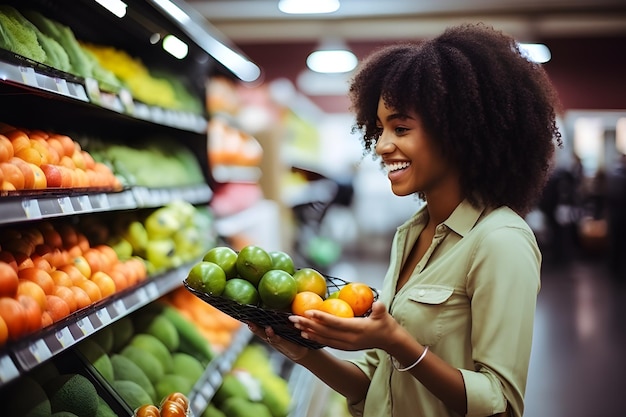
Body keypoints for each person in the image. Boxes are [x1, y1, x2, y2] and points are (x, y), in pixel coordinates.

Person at [248, 22, 561, 417]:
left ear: (458, 132)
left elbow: (500, 404)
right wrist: (303, 352)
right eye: (378, 129)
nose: (381, 145)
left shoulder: (501, 240)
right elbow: (376, 382)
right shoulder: (411, 233)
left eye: (401, 128)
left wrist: (398, 341)